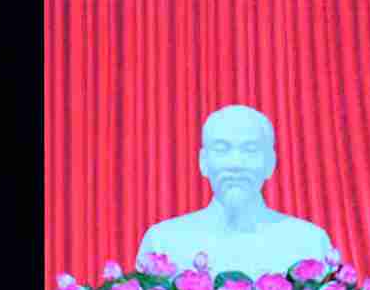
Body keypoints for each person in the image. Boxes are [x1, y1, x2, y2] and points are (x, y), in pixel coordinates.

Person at [136, 104, 334, 274]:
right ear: (203, 162)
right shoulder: (164, 243)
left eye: (250, 149)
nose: (236, 163)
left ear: (270, 163)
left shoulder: (309, 242)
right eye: (222, 149)